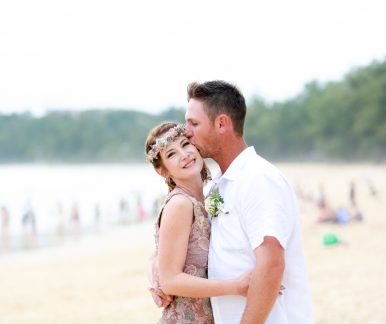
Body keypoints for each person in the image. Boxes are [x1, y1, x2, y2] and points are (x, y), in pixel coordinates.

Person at [183, 80, 314, 324]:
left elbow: (272, 265)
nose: (185, 131)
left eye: (194, 123)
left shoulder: (259, 179)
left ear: (221, 123)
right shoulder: (219, 184)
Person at [145, 122, 249, 323]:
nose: (184, 155)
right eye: (171, 154)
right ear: (162, 171)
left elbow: (164, 251)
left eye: (185, 144)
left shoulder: (207, 198)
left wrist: (153, 262)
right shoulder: (180, 204)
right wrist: (236, 286)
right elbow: (170, 281)